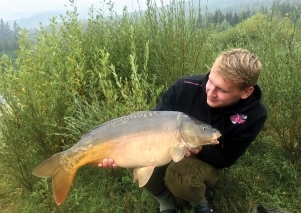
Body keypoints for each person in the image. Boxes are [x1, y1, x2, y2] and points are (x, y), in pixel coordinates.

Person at [99, 48, 267, 213]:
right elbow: (150, 123)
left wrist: (199, 149)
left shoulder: (254, 114)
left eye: (222, 90)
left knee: (179, 177)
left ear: (246, 92)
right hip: (168, 147)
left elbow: (227, 158)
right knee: (136, 154)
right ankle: (164, 199)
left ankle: (197, 201)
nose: (211, 92)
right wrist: (112, 153)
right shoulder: (184, 86)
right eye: (210, 81)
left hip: (209, 158)